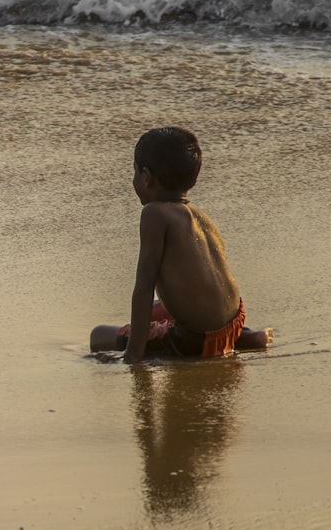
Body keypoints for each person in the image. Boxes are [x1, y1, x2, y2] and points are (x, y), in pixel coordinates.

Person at [91, 127, 272, 363]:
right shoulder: (199, 215)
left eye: (134, 172)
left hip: (194, 339)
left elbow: (144, 287)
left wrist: (132, 354)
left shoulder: (154, 214)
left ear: (146, 177)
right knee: (158, 308)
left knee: (98, 335)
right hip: (233, 321)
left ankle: (227, 341)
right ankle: (246, 337)